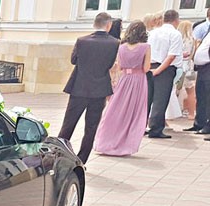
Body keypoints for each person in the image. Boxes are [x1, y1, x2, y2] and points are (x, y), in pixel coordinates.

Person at [58, 12, 120, 163]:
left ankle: (58, 155)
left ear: (94, 24)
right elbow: (110, 64)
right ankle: (82, 159)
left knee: (68, 124)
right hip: (99, 89)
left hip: (79, 87)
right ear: (108, 25)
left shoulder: (82, 40)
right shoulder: (114, 43)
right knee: (91, 127)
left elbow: (73, 60)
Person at [94, 21, 151, 157]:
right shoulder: (146, 47)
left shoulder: (122, 47)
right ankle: (126, 145)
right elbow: (146, 68)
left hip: (124, 80)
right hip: (138, 81)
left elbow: (119, 67)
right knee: (134, 113)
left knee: (116, 110)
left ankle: (105, 142)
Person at [147, 10, 183, 138]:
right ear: (176, 20)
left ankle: (141, 127)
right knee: (160, 100)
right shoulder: (175, 34)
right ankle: (155, 129)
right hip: (165, 69)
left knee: (147, 99)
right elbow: (171, 56)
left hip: (150, 66)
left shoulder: (153, 32)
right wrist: (159, 70)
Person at [189, 33, 210, 135]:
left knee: (208, 97)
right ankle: (199, 123)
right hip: (202, 68)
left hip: (208, 66)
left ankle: (208, 125)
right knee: (201, 95)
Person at [178, 21, 197, 120]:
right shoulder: (193, 40)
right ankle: (191, 113)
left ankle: (175, 112)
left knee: (175, 90)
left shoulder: (178, 39)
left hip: (179, 66)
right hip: (189, 66)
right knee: (191, 91)